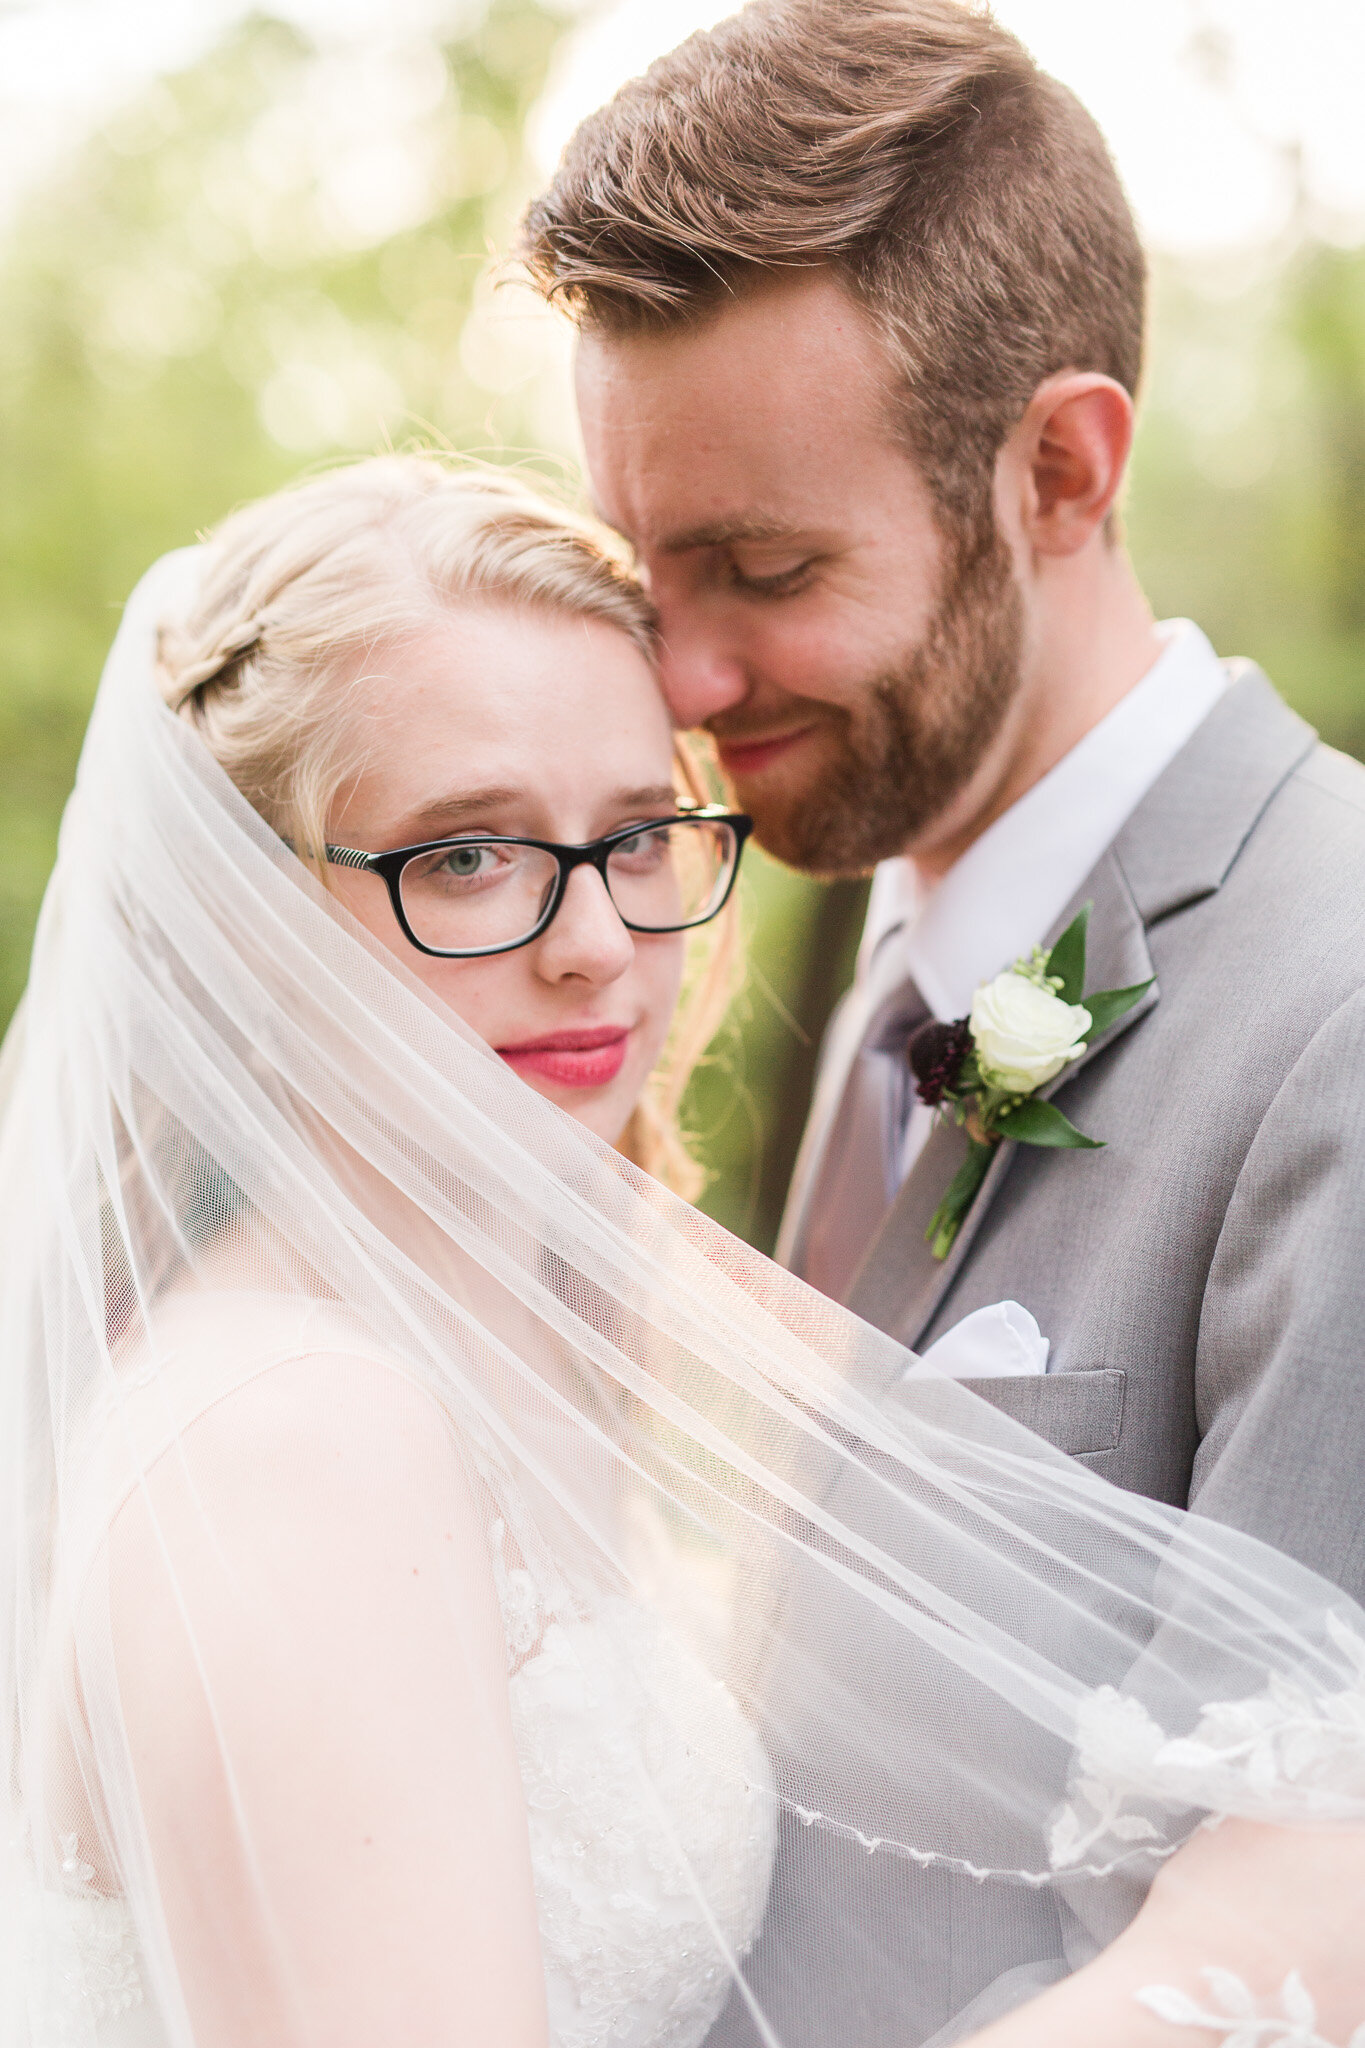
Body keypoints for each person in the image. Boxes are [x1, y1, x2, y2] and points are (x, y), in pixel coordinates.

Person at [3, 453, 1365, 2048]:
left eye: (637, 837)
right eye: (465, 855)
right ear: (253, 917)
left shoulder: (513, 1334)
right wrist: (1194, 1991)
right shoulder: (295, 1443)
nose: (594, 945)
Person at [519, 0, 1365, 2035]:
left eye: (767, 566)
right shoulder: (917, 953)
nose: (692, 682)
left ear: (1057, 469)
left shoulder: (1332, 997)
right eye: (648, 577)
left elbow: (1311, 1896)